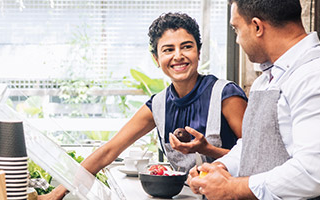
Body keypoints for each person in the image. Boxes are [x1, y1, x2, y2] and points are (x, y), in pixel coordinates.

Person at [39, 12, 247, 199]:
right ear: (157, 59)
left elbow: (259, 157)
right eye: (168, 50)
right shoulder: (158, 104)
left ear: (199, 53)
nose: (178, 56)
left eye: (187, 46)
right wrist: (57, 192)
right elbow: (109, 151)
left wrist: (208, 149)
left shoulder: (225, 95)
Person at [187, 0, 320, 199]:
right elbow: (253, 145)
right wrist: (220, 167)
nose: (237, 40)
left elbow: (313, 173)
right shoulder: (266, 80)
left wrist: (232, 188)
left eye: (236, 29)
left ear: (257, 27)